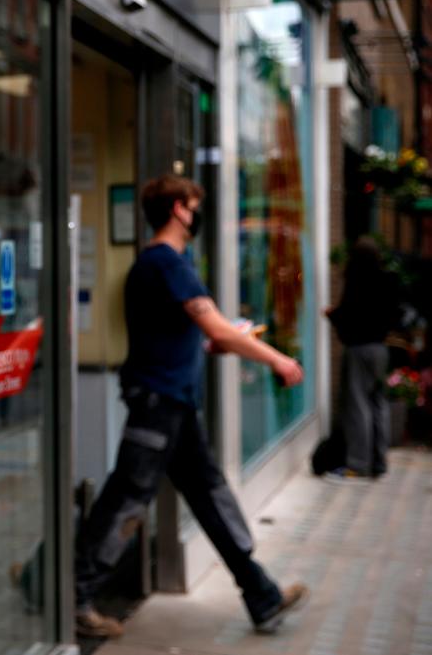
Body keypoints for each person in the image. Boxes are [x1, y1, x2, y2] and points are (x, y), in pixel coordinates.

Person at [75, 175, 308, 640]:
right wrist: (278, 358)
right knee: (126, 501)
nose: (197, 212)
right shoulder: (164, 262)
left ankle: (261, 595)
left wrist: (214, 344)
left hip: (174, 405)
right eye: (195, 204)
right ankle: (70, 597)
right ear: (179, 209)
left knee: (208, 497)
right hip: (159, 405)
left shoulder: (166, 263)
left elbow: (189, 334)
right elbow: (217, 329)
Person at [324, 237, 400, 481]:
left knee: (357, 405)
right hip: (380, 349)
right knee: (378, 404)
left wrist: (332, 314)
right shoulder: (388, 280)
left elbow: (348, 314)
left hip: (358, 349)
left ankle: (357, 464)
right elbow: (395, 315)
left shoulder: (356, 281)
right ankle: (379, 462)